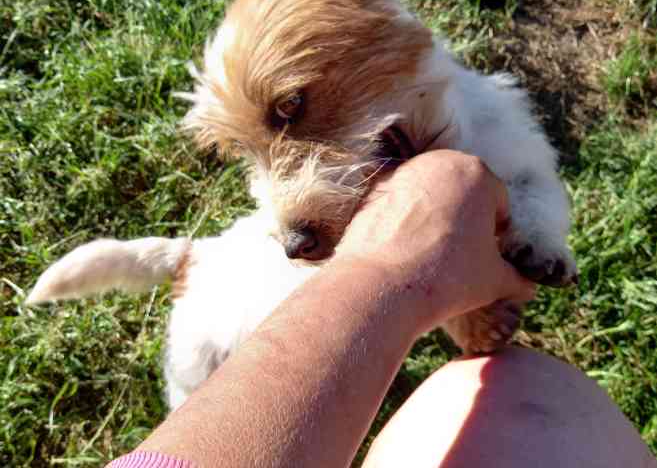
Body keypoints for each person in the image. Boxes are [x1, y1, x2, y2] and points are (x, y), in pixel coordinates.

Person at [107, 151, 655, 468]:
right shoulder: (210, 324)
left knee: (516, 389)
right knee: (522, 391)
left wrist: (385, 275)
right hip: (207, 342)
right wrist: (392, 275)